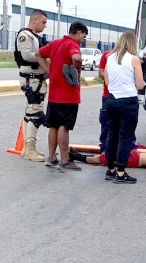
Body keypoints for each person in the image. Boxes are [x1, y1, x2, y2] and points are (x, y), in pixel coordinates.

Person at [36, 21, 88, 172]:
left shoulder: (55, 43)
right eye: (83, 36)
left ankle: (51, 157)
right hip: (68, 95)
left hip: (54, 94)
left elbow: (38, 54)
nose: (82, 39)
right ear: (78, 32)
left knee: (53, 125)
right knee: (64, 126)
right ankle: (65, 160)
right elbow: (77, 58)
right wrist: (76, 68)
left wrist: (49, 70)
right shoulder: (72, 44)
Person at [104, 31, 145, 184]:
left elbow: (107, 83)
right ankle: (121, 172)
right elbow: (140, 84)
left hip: (112, 100)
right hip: (128, 102)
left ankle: (110, 169)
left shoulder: (109, 58)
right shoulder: (134, 59)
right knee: (125, 137)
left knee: (112, 135)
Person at [15, 9, 49, 162]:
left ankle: (27, 148)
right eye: (43, 22)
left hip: (36, 78)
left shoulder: (35, 37)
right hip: (32, 79)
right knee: (35, 111)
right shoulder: (25, 36)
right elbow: (26, 55)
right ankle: (30, 149)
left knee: (30, 112)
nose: (44, 26)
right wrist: (43, 58)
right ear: (35, 19)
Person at [69, 149, 146, 174]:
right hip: (137, 155)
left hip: (136, 160)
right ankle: (76, 155)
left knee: (104, 159)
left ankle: (77, 157)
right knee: (105, 156)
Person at [98, 49, 112, 153]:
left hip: (120, 96)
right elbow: (101, 72)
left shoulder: (131, 57)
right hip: (108, 94)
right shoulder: (107, 55)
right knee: (106, 122)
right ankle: (104, 148)